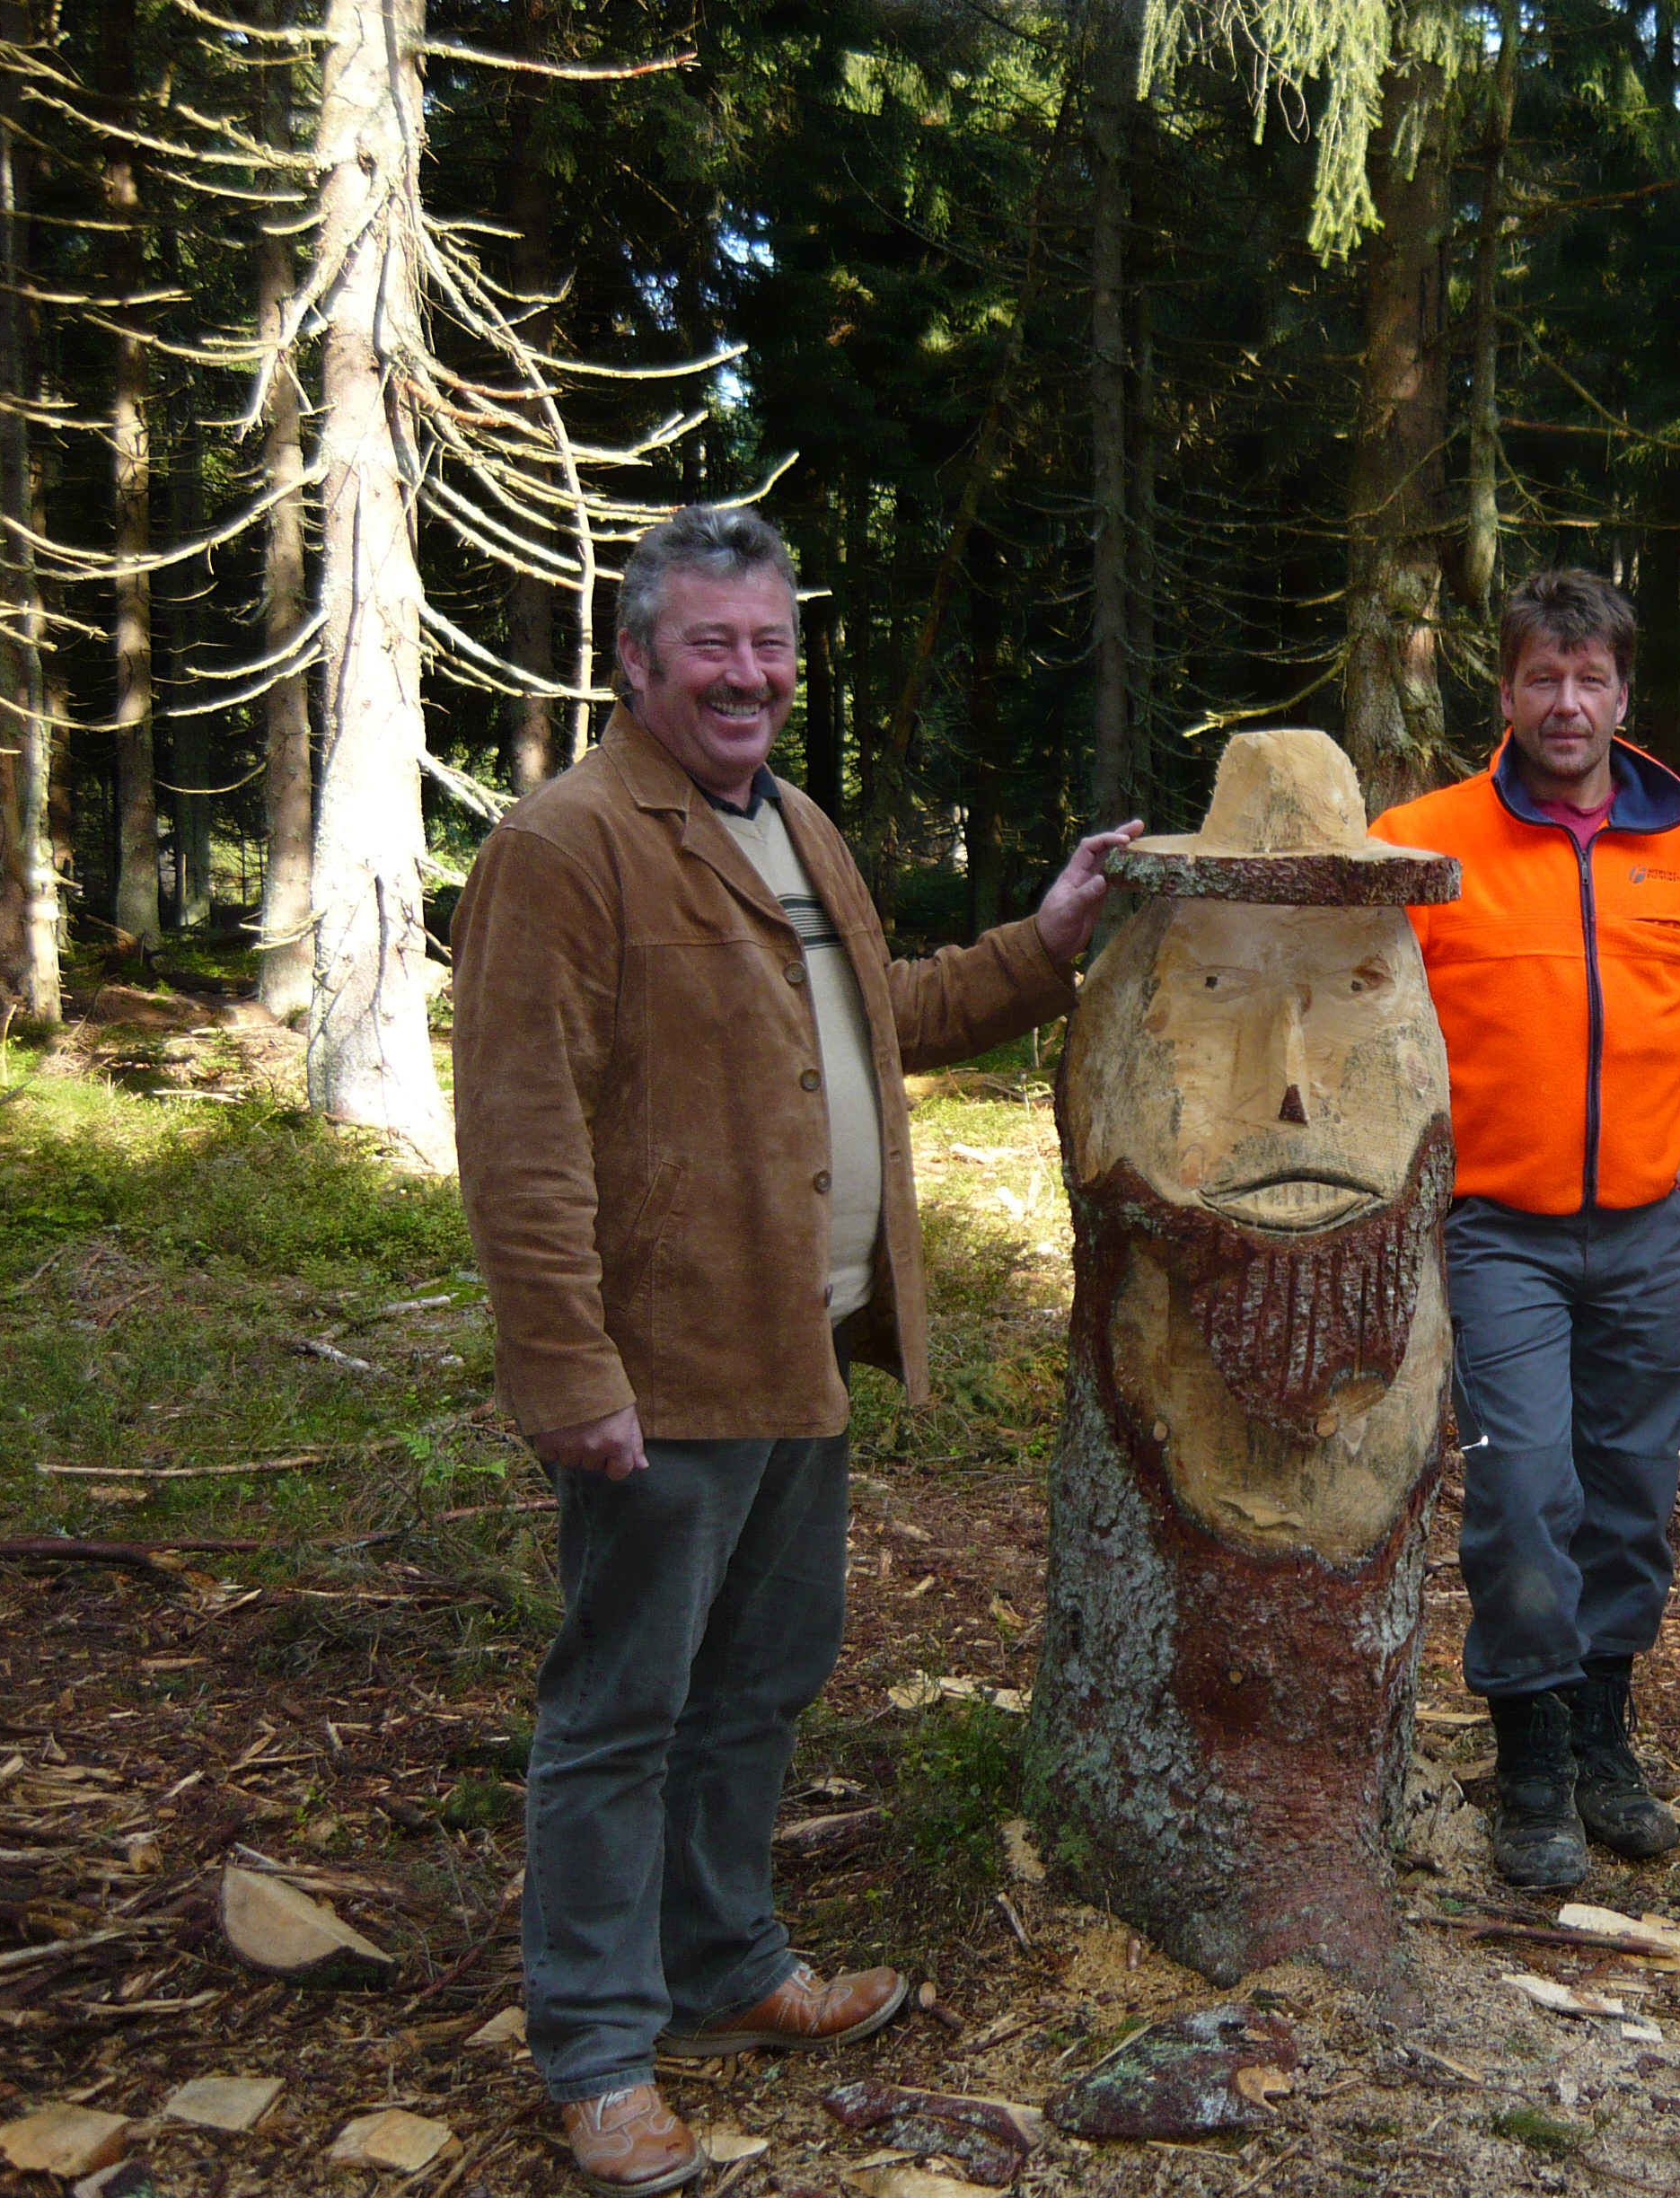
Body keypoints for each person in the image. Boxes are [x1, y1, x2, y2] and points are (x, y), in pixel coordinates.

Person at [452, 505, 1138, 2194]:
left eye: (768, 643)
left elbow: (877, 1020)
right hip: (662, 1367)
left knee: (756, 1688)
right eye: (712, 646)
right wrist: (567, 1371)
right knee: (623, 1710)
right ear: (637, 661)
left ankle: (728, 1968)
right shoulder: (570, 843)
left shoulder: (793, 823)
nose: (747, 673)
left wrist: (1044, 948)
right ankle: (600, 2053)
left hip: (802, 1345)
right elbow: (522, 1132)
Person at [1372, 568, 1680, 1888]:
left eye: (1592, 679)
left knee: (1629, 1492)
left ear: (1623, 694)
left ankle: (1607, 1739)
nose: (1569, 703)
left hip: (1644, 1233)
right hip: (1497, 1230)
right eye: (1543, 679)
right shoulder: (1424, 840)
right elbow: (1354, 1005)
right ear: (1504, 693)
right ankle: (1531, 1762)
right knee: (1519, 1486)